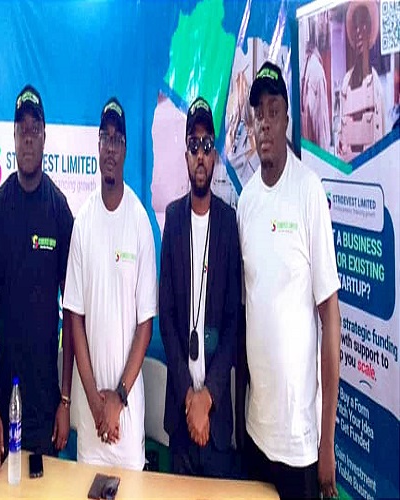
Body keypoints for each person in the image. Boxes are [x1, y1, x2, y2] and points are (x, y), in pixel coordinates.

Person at [237, 61, 341, 499]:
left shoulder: (308, 192)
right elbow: (250, 311)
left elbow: (330, 319)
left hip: (300, 443)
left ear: (286, 121)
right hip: (256, 430)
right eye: (258, 113)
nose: (265, 122)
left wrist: (327, 441)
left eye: (273, 111)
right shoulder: (246, 202)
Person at [0, 84, 74, 476]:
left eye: (36, 129)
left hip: (46, 407)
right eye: (23, 130)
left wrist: (65, 401)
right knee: (9, 492)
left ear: (45, 136)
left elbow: (73, 313)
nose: (29, 137)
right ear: (14, 137)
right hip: (6, 404)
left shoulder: (59, 210)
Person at [63, 97, 157, 470]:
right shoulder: (83, 222)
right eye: (106, 138)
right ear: (98, 145)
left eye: (118, 140)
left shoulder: (139, 222)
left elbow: (145, 325)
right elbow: (74, 317)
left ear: (126, 148)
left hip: (126, 416)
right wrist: (94, 401)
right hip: (91, 417)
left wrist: (117, 398)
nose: (111, 148)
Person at [159, 96, 242, 478]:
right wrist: (189, 399)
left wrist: (207, 398)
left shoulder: (228, 223)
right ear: (186, 155)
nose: (201, 155)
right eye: (194, 145)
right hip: (180, 418)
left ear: (215, 155)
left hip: (217, 418)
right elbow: (167, 317)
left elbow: (233, 322)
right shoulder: (174, 219)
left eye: (207, 145)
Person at [337, 1, 384, 161]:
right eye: (355, 26)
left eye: (363, 25)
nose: (358, 32)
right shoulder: (346, 83)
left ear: (370, 30)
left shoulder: (376, 86)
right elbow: (340, 135)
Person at [301, 12, 331, 150]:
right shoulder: (316, 71)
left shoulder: (306, 66)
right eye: (323, 17)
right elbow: (322, 138)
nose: (326, 23)